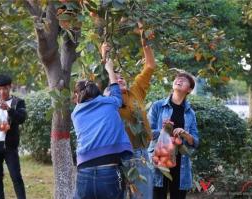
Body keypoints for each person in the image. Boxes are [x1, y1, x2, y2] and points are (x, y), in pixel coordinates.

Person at [101, 24, 156, 199]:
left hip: (140, 154)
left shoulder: (135, 91)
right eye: (115, 77)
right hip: (116, 156)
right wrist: (104, 55)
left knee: (143, 196)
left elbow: (150, 66)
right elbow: (104, 74)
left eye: (121, 76)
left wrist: (144, 36)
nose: (120, 78)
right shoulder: (108, 99)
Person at [71, 59, 133, 199]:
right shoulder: (110, 102)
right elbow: (116, 92)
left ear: (77, 96)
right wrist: (110, 69)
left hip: (84, 170)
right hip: (108, 170)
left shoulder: (76, 113)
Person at [147, 72, 200, 199]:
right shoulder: (158, 106)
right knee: (157, 194)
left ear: (190, 90)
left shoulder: (190, 113)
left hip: (181, 163)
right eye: (177, 79)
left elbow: (195, 142)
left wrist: (185, 134)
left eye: (184, 80)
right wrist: (163, 132)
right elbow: (146, 133)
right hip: (160, 160)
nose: (179, 80)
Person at [0, 74, 26, 199]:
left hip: (10, 146)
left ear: (10, 87)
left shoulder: (18, 102)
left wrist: (9, 109)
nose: (2, 92)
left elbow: (21, 118)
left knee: (16, 176)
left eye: (5, 89)